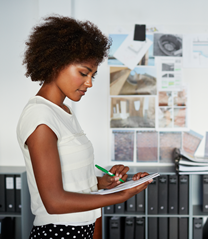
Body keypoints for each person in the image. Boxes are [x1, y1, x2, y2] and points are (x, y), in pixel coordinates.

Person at [17, 15, 152, 239]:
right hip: (59, 232)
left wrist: (106, 183)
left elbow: (70, 179)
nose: (89, 83)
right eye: (83, 73)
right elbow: (54, 201)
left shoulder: (64, 112)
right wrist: (121, 196)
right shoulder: (40, 116)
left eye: (92, 75)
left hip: (85, 228)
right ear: (55, 64)